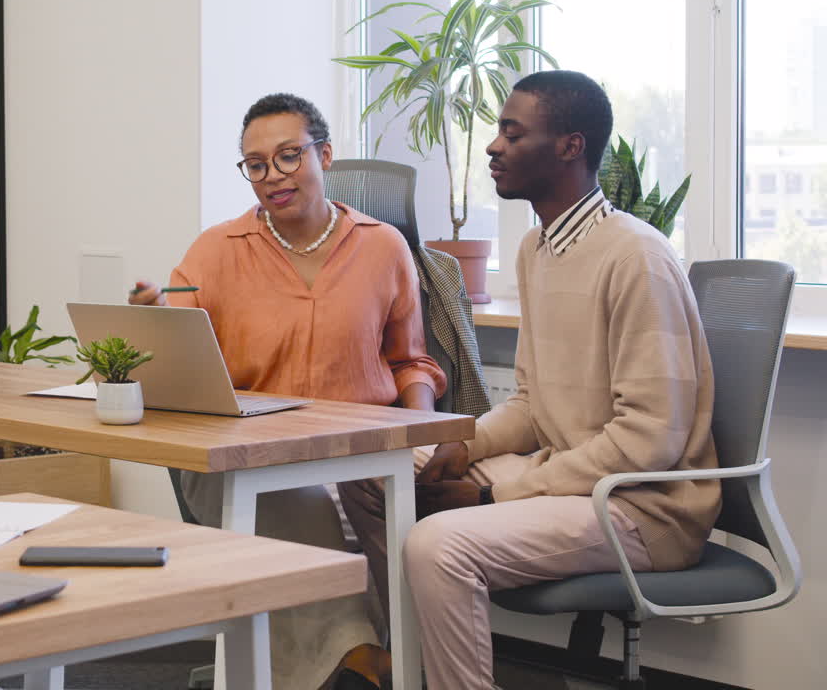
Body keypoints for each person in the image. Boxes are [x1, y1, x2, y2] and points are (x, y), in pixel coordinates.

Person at [342, 70, 720, 689]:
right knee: (369, 474)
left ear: (570, 146)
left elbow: (648, 441)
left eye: (512, 134)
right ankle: (409, 670)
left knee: (439, 545)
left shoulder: (636, 258)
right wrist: (462, 446)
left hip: (641, 506)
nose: (494, 147)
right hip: (569, 477)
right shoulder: (538, 249)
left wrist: (493, 496)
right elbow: (527, 402)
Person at [131, 93, 447, 690]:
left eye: (287, 157)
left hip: (359, 446)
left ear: (324, 155)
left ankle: (359, 660)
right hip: (249, 447)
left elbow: (412, 362)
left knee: (384, 517)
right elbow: (175, 358)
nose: (271, 176)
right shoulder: (215, 250)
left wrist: (416, 433)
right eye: (255, 164)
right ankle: (359, 653)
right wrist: (150, 325)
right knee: (292, 500)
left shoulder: (383, 247)